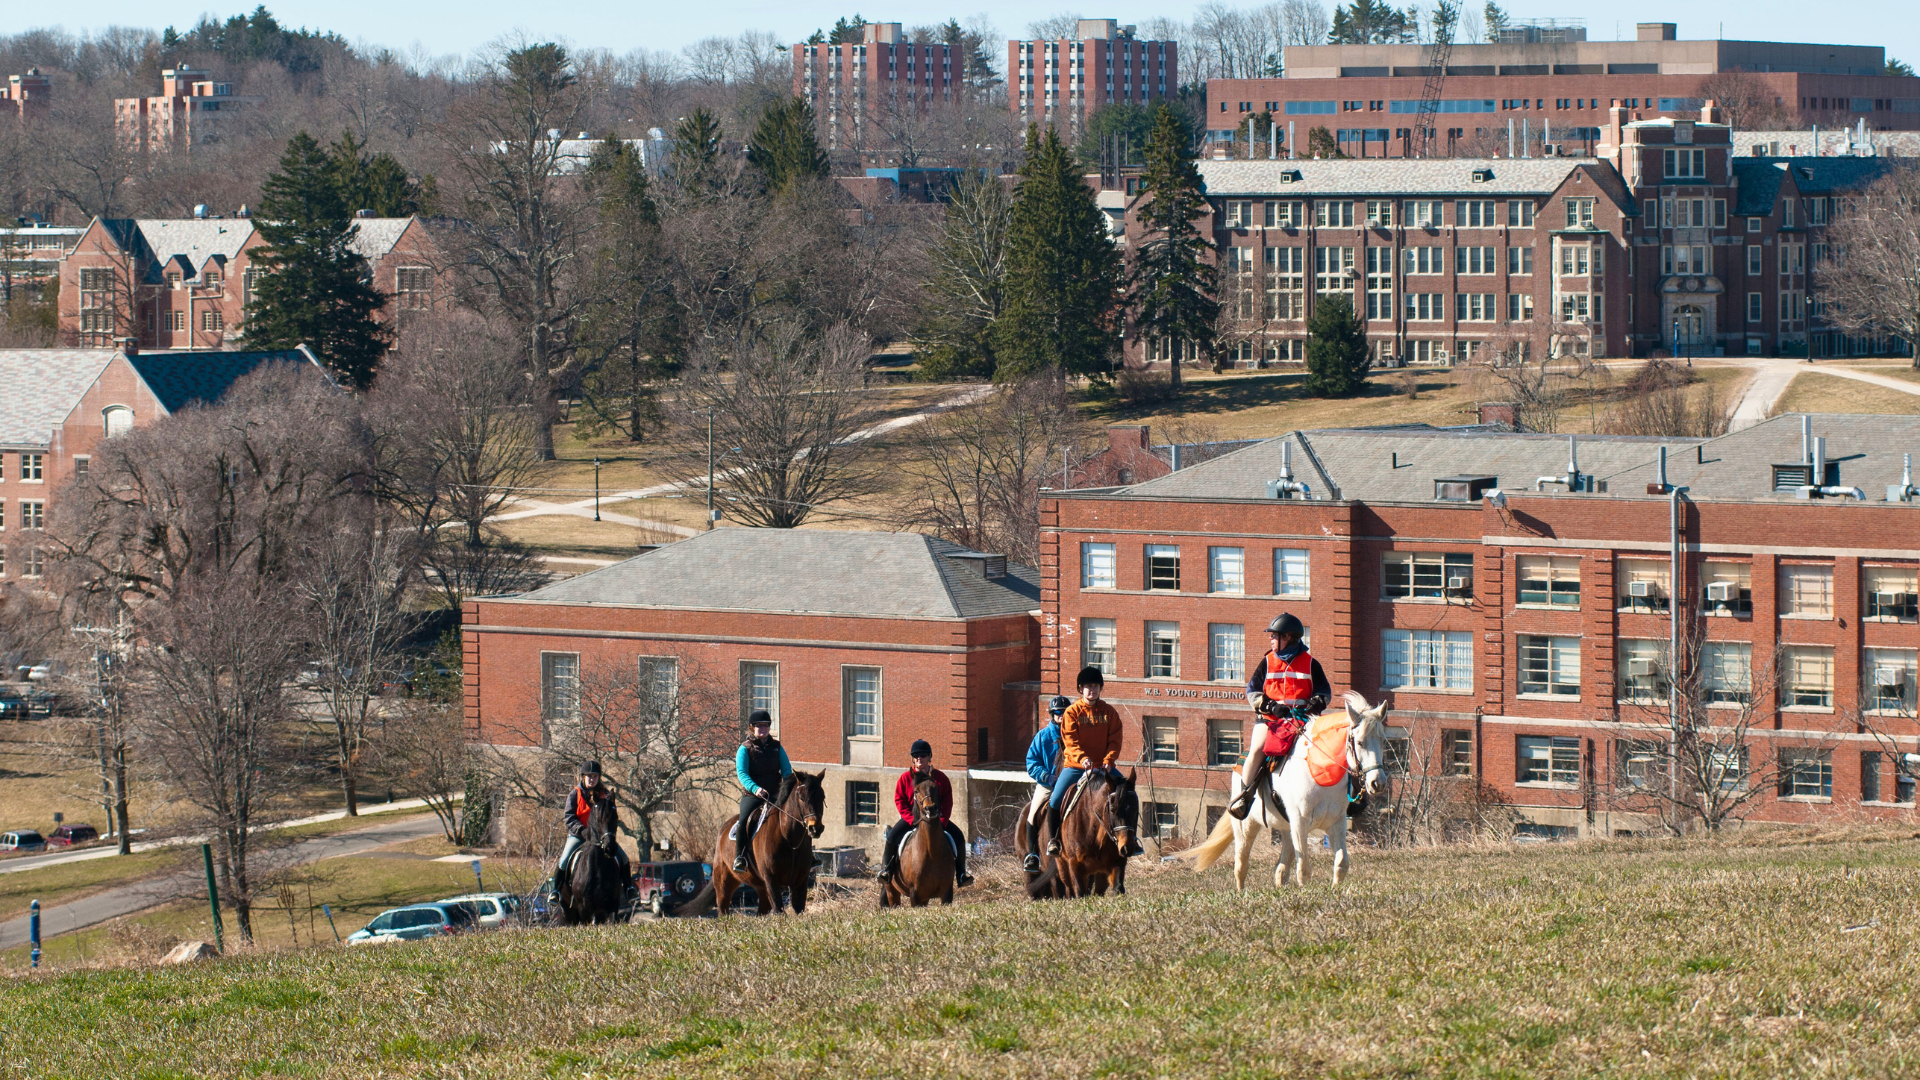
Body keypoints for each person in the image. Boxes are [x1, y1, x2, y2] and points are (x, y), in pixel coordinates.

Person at [1227, 613, 1332, 820]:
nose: (1271, 639)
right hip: (1271, 720)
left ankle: (1339, 797)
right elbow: (1253, 692)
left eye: (1274, 636)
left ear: (1289, 637)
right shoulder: (1266, 661)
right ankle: (1244, 797)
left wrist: (1316, 702)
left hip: (1303, 720)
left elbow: (1324, 692)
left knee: (1328, 749)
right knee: (1257, 750)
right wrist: (1270, 706)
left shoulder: (1312, 664)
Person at [1046, 666, 1141, 857]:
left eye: (1096, 686)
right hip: (1076, 766)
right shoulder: (1072, 712)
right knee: (1055, 799)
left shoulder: (1110, 712)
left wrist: (1109, 760)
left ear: (1101, 688)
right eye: (1088, 686)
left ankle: (1133, 839)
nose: (1093, 690)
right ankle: (1054, 840)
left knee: (1130, 795)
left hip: (1104, 767)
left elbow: (1115, 740)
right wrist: (1083, 759)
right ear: (1081, 689)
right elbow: (1070, 740)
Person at [876, 739, 973, 887]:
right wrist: (910, 819)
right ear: (912, 759)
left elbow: (947, 801)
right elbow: (899, 800)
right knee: (891, 837)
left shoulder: (941, 778)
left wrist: (943, 820)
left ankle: (961, 874)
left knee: (959, 836)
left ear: (929, 758)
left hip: (936, 819)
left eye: (922, 755)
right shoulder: (905, 778)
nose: (919, 758)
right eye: (916, 756)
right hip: (912, 819)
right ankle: (887, 872)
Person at [555, 761, 632, 891]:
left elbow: (610, 816)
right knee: (564, 860)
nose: (592, 779)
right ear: (583, 777)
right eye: (589, 776)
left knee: (623, 858)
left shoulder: (605, 794)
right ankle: (556, 891)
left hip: (601, 836)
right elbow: (569, 817)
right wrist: (582, 831)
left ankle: (629, 889)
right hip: (579, 836)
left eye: (595, 776)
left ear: (599, 778)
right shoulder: (575, 794)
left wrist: (608, 833)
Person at [732, 710, 792, 873]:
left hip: (776, 794)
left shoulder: (777, 747)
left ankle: (809, 855)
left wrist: (789, 787)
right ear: (752, 728)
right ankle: (740, 857)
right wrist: (755, 789)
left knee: (797, 814)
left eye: (766, 725)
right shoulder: (744, 749)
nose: (763, 729)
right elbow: (742, 773)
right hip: (754, 795)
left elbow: (787, 771)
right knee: (744, 820)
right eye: (759, 726)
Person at [1022, 695, 1070, 872]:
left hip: (1071, 782)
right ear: (1052, 714)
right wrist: (1046, 777)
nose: (1061, 716)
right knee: (1032, 813)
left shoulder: (1074, 734)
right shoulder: (1042, 736)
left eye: (1064, 712)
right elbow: (1031, 762)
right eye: (1057, 713)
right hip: (1048, 785)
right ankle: (1032, 855)